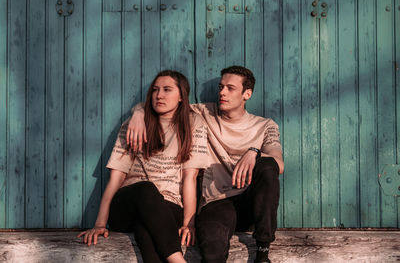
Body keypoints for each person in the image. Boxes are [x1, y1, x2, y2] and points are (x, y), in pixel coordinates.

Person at [127, 66, 284, 263]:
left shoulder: (265, 125)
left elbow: (278, 163)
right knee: (211, 250)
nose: (222, 92)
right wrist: (138, 113)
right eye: (220, 87)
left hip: (250, 202)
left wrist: (255, 152)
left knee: (268, 165)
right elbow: (167, 103)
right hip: (217, 202)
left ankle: (262, 252)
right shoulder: (203, 113)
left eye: (230, 88)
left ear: (247, 94)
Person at [77, 70, 208, 263]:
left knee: (145, 228)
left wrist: (190, 222)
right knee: (146, 189)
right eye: (155, 90)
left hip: (168, 206)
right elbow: (116, 178)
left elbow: (190, 177)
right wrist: (100, 223)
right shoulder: (135, 125)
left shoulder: (193, 123)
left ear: (181, 96)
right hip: (127, 206)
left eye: (167, 90)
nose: (159, 95)